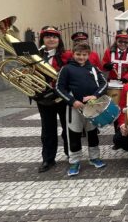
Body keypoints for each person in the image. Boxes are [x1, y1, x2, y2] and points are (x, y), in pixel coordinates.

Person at [55, 43, 108, 176]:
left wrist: (95, 96)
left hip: (91, 106)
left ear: (88, 55)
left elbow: (104, 83)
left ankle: (94, 157)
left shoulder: (94, 68)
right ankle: (74, 161)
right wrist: (72, 101)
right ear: (73, 54)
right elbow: (58, 88)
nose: (81, 57)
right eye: (78, 54)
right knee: (73, 134)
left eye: (84, 54)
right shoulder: (66, 69)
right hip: (74, 107)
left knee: (92, 133)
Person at [36, 26, 72, 173]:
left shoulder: (67, 56)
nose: (51, 39)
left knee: (68, 128)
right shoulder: (35, 56)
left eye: (54, 36)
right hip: (44, 98)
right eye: (48, 36)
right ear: (42, 39)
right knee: (47, 130)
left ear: (59, 40)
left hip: (62, 97)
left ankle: (71, 155)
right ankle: (48, 159)